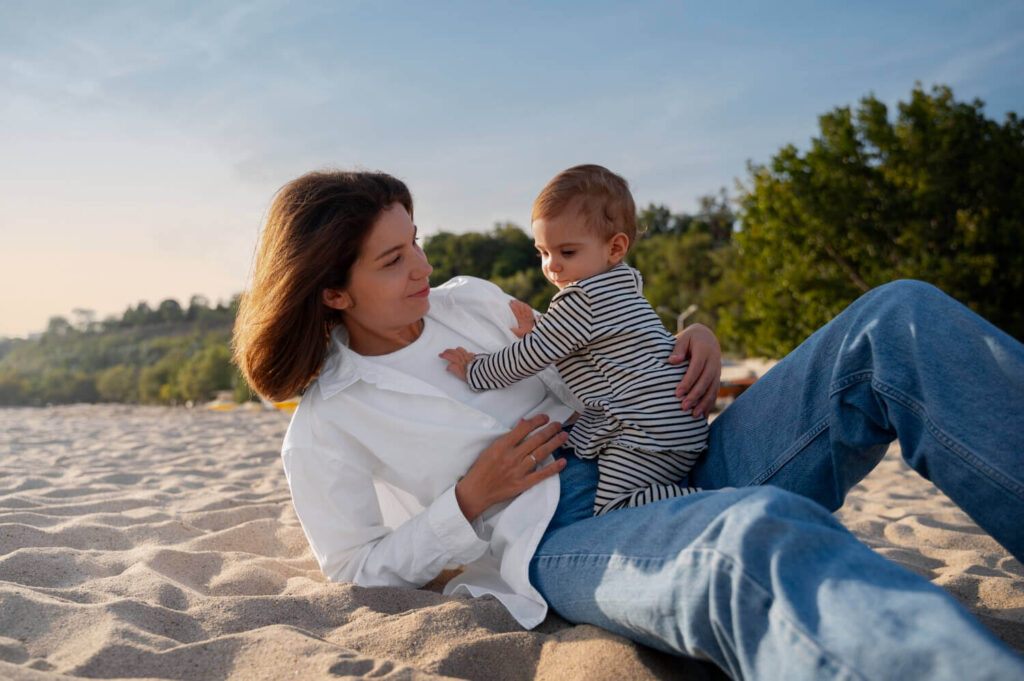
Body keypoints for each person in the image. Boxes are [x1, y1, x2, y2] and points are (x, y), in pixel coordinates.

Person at [232, 169, 1024, 681]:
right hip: (572, 530)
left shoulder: (469, 300)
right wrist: (467, 501)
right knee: (748, 534)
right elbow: (351, 567)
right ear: (332, 292)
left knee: (895, 320)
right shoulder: (329, 419)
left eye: (417, 243)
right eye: (392, 260)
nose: (423, 269)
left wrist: (688, 339)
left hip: (667, 441)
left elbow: (583, 355)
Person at [441, 165, 707, 516]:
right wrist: (541, 333)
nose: (552, 267)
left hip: (641, 434)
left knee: (615, 508)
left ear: (615, 248)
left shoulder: (581, 297)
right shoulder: (624, 286)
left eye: (566, 253)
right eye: (543, 252)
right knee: (652, 485)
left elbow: (528, 358)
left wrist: (475, 369)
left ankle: (710, 501)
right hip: (677, 424)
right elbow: (588, 347)